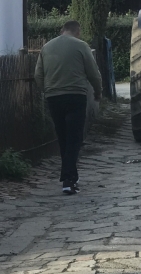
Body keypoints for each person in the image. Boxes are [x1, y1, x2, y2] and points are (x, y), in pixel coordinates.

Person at [35, 20, 102, 195]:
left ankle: (72, 175)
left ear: (61, 30)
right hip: (75, 96)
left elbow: (38, 75)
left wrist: (47, 91)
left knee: (63, 137)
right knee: (74, 138)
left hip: (54, 97)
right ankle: (67, 180)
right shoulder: (81, 46)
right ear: (77, 31)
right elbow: (93, 73)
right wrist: (98, 92)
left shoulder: (46, 48)